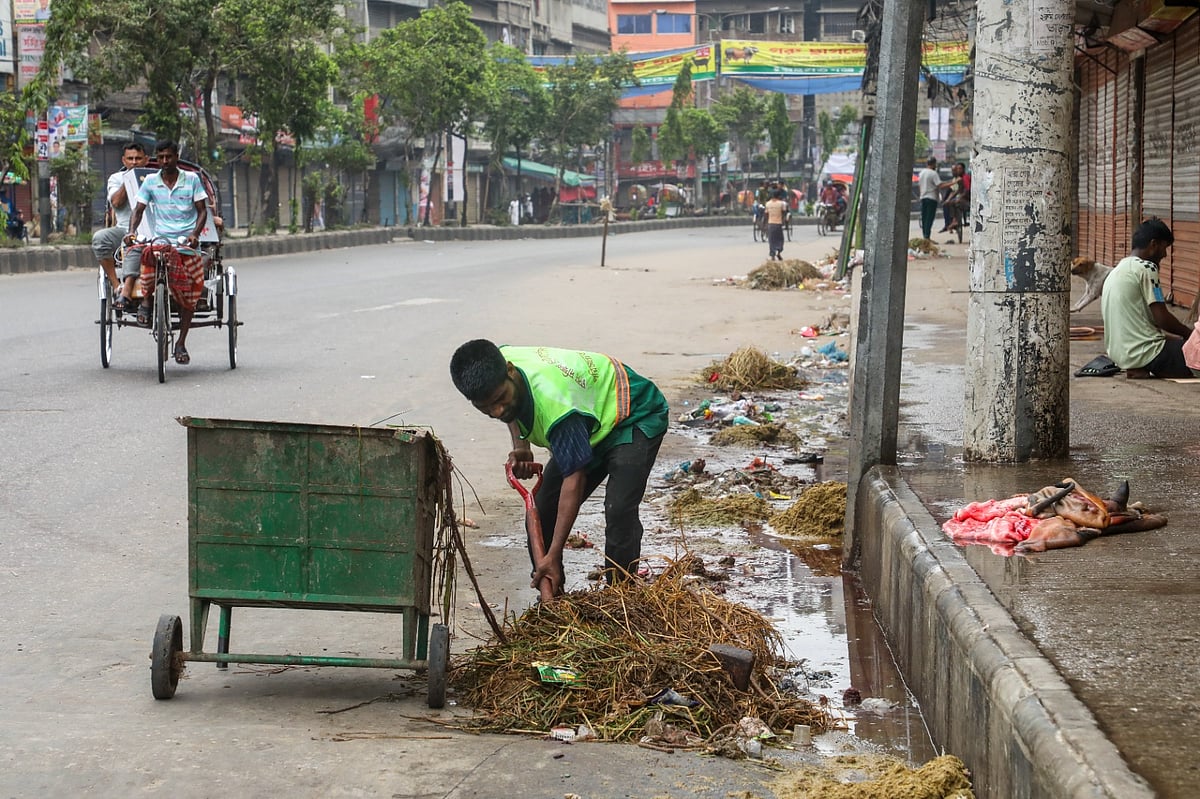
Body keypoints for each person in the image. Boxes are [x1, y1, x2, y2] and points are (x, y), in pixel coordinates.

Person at [449, 340, 670, 593]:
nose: (497, 411)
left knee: (619, 508)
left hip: (634, 413)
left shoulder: (556, 406)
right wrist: (521, 444)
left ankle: (622, 597)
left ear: (510, 371)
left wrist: (554, 552)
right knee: (542, 512)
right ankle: (552, 600)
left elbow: (573, 479)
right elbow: (505, 409)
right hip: (588, 418)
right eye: (484, 407)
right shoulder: (499, 361)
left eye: (500, 399)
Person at [118, 140, 208, 366]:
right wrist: (131, 232)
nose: (165, 161)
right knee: (145, 255)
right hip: (160, 239)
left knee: (190, 294)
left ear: (176, 156)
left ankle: (181, 343)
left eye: (169, 157)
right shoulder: (150, 182)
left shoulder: (192, 180)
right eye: (161, 157)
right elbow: (138, 211)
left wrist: (195, 234)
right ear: (157, 158)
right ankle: (146, 302)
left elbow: (202, 211)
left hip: (185, 242)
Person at [1101, 218, 1196, 379]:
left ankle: (1139, 367)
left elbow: (1139, 324)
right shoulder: (1146, 268)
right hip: (1149, 353)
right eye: (1164, 248)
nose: (1165, 255)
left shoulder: (1117, 270)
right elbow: (1162, 319)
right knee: (1195, 352)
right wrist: (1190, 335)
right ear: (1153, 244)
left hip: (1122, 355)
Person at [92, 143, 148, 297]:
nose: (134, 162)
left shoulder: (154, 177)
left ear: (146, 160)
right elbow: (116, 202)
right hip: (124, 228)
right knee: (100, 239)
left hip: (151, 230)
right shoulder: (116, 179)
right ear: (124, 161)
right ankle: (117, 285)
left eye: (138, 158)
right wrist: (130, 179)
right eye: (130, 159)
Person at [918, 157, 940, 240]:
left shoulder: (921, 173)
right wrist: (954, 182)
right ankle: (927, 236)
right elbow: (939, 185)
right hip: (932, 198)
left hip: (923, 197)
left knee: (924, 218)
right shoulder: (933, 173)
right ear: (934, 164)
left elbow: (919, 186)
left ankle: (925, 236)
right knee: (929, 218)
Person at [765, 187, 788, 261]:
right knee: (780, 239)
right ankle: (778, 251)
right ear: (778, 196)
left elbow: (766, 214)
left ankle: (772, 255)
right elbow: (784, 213)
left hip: (770, 223)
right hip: (778, 224)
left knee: (771, 240)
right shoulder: (781, 204)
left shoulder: (767, 204)